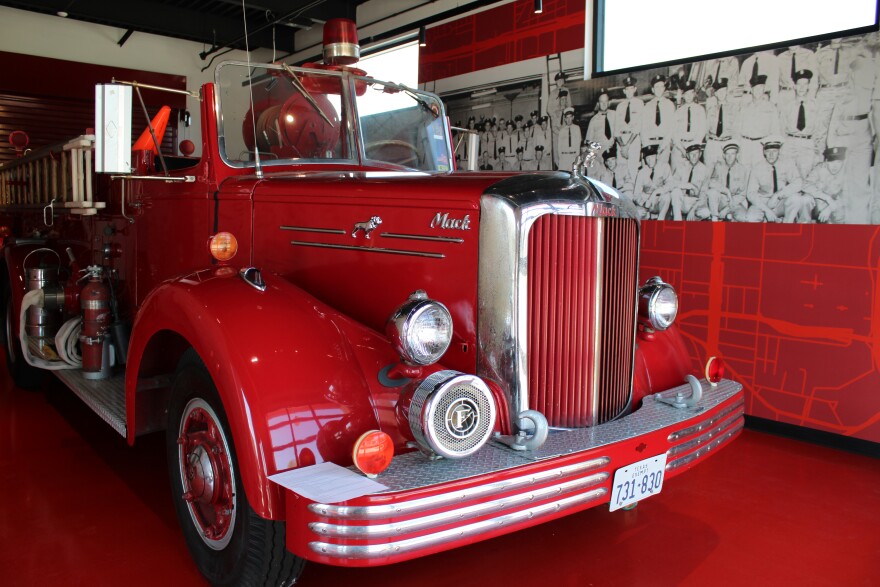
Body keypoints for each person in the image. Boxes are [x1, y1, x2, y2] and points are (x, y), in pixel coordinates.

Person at [827, 55, 874, 223]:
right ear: (852, 74)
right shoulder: (842, 92)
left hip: (863, 139)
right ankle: (839, 221)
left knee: (860, 183)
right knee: (840, 182)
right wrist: (831, 146)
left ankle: (859, 223)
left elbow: (873, 117)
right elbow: (833, 121)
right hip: (843, 139)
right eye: (858, 72)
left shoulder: (871, 93)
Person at [745, 137, 803, 222]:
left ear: (779, 151)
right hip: (763, 202)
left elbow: (798, 182)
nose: (771, 155)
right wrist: (766, 210)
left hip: (780, 201)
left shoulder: (787, 163)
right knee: (751, 218)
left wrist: (778, 195)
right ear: (764, 152)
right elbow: (751, 194)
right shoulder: (757, 168)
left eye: (774, 151)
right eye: (768, 151)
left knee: (796, 198)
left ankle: (787, 226)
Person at [779, 69, 822, 178]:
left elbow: (819, 129)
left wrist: (817, 149)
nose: (802, 88)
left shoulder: (815, 105)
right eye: (799, 84)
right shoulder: (787, 106)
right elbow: (782, 128)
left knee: (804, 176)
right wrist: (784, 146)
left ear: (809, 86)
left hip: (807, 144)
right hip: (790, 143)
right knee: (788, 177)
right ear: (794, 86)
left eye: (805, 84)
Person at [738, 74, 779, 167]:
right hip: (746, 145)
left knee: (760, 173)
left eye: (760, 88)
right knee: (745, 174)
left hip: (761, 145)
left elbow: (775, 130)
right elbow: (737, 129)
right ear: (751, 90)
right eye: (755, 88)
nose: (758, 91)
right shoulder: (744, 107)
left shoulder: (771, 107)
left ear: (764, 89)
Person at [706, 142, 750, 221]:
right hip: (720, 200)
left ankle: (728, 217)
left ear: (737, 155)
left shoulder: (742, 170)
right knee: (712, 192)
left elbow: (742, 194)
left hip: (734, 202)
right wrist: (726, 191)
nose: (729, 157)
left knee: (744, 218)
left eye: (732, 154)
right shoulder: (718, 166)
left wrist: (727, 208)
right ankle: (715, 218)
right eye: (727, 154)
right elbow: (711, 183)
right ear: (723, 155)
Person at [802, 146, 847, 223]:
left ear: (843, 162)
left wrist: (830, 208)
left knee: (841, 214)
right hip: (819, 205)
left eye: (838, 162)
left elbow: (849, 195)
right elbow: (806, 185)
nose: (835, 166)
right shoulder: (820, 168)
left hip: (837, 205)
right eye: (832, 162)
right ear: (826, 161)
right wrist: (826, 198)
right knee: (805, 199)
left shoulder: (847, 172)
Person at [671, 80, 707, 173]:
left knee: (692, 173)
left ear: (694, 94)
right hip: (680, 147)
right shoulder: (679, 111)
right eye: (686, 94)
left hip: (694, 147)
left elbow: (702, 130)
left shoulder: (700, 110)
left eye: (691, 93)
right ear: (683, 95)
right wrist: (681, 148)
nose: (688, 97)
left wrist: (693, 148)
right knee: (676, 173)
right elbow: (674, 132)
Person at [668, 143, 710, 220]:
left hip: (694, 202)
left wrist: (693, 209)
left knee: (706, 212)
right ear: (687, 155)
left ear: (700, 154)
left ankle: (690, 221)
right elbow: (672, 183)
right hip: (682, 200)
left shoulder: (705, 170)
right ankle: (678, 220)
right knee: (675, 192)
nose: (694, 156)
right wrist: (689, 185)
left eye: (696, 153)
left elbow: (703, 194)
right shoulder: (681, 166)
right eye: (691, 154)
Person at [704, 77, 738, 169]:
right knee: (708, 173)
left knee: (724, 173)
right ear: (715, 93)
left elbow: (736, 129)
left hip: (726, 143)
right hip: (712, 143)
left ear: (727, 91)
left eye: (724, 91)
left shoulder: (733, 108)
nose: (721, 94)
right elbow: (706, 128)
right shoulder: (711, 109)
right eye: (719, 91)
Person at [640, 74, 675, 164]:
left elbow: (671, 127)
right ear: (652, 89)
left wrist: (663, 145)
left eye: (661, 86)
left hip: (664, 144)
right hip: (650, 143)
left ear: (664, 88)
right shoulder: (647, 106)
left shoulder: (669, 105)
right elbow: (643, 128)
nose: (659, 89)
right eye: (656, 87)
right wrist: (647, 145)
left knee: (661, 172)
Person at [633, 143, 673, 219]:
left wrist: (656, 192)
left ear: (657, 156)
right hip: (646, 201)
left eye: (652, 157)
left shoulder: (664, 166)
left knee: (667, 196)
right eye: (647, 158)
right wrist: (643, 203)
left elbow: (670, 184)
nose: (649, 160)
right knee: (638, 214)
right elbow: (636, 194)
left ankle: (660, 220)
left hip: (658, 200)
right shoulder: (642, 172)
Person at [614, 75, 644, 177]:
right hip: (621, 141)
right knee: (621, 171)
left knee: (633, 170)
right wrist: (622, 146)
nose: (629, 91)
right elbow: (616, 129)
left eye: (631, 89)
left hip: (633, 140)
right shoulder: (620, 106)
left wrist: (627, 146)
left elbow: (638, 127)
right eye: (627, 89)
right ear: (624, 91)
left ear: (635, 89)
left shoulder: (639, 103)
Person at [586, 88, 616, 156]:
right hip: (600, 153)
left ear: (609, 102)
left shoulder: (614, 115)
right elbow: (589, 140)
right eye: (601, 102)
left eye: (606, 101)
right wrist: (597, 154)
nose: (604, 104)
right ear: (598, 103)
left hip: (613, 151)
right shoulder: (593, 120)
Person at [557, 107, 581, 172]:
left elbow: (578, 144)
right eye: (567, 118)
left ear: (573, 117)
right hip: (564, 158)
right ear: (564, 119)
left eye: (570, 117)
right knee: (563, 177)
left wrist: (577, 158)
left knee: (573, 177)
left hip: (573, 157)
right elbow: (559, 146)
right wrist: (560, 158)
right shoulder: (561, 131)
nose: (568, 119)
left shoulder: (577, 128)